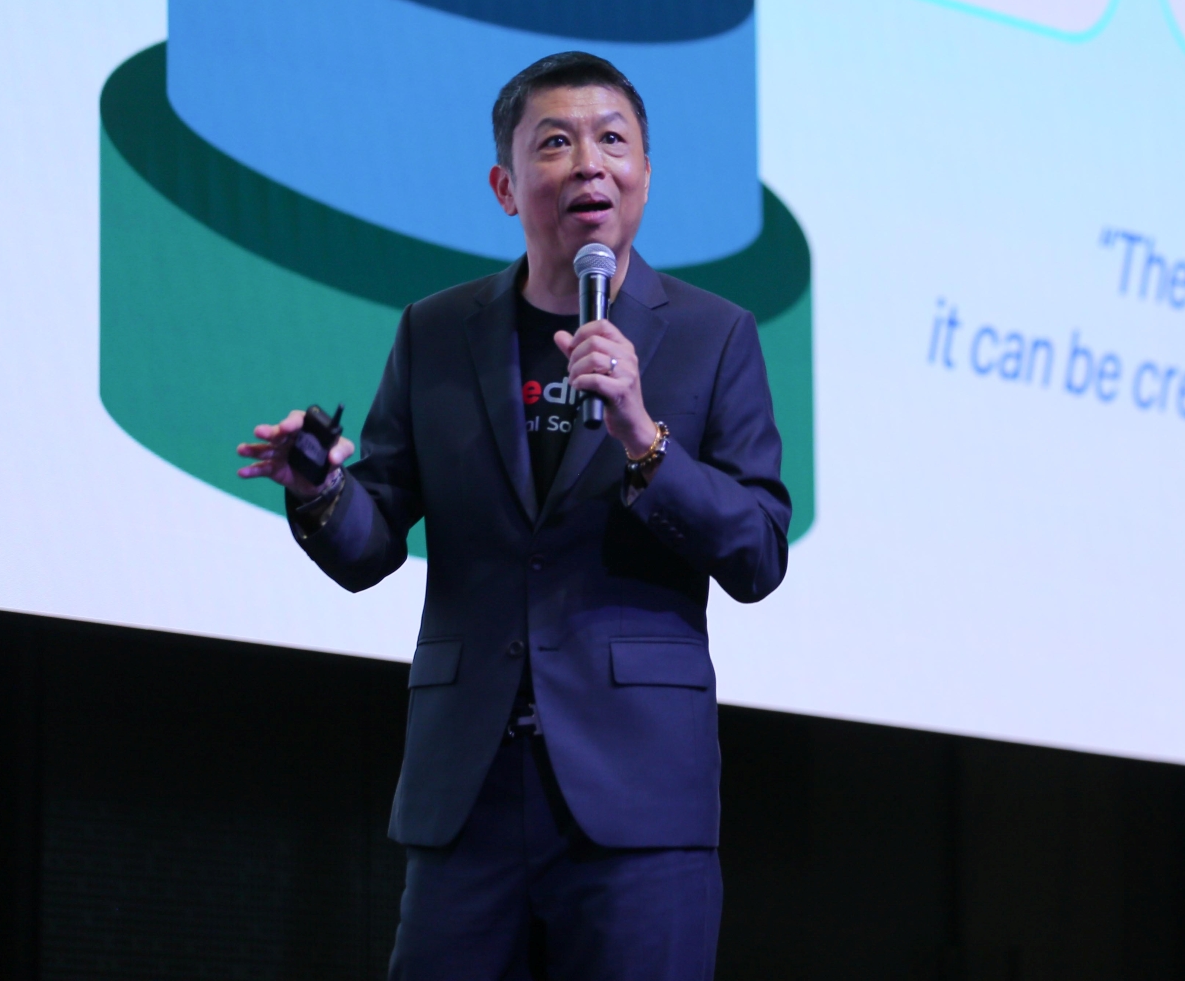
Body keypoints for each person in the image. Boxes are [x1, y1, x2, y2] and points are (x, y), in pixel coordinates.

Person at [235, 51, 790, 980]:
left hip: (637, 799)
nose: (589, 164)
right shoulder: (436, 331)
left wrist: (645, 438)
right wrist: (320, 488)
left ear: (645, 174)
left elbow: (758, 552)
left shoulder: (712, 334)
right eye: (557, 143)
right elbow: (373, 538)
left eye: (612, 140)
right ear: (505, 185)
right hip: (469, 793)